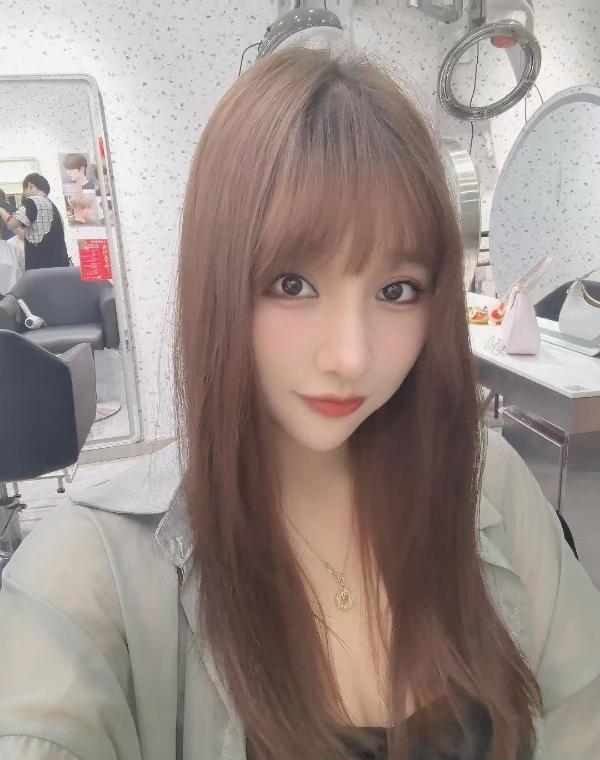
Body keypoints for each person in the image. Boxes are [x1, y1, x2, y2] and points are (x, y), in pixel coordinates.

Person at [1, 47, 600, 760]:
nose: (350, 356)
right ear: (218, 279)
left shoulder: (485, 481)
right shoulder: (94, 568)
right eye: (293, 285)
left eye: (396, 290)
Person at [0, 173, 70, 270]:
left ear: (30, 185)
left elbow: (11, 224)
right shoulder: (52, 206)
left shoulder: (33, 201)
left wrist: (1, 210)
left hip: (41, 266)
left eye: (24, 191)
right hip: (60, 264)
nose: (25, 195)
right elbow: (29, 235)